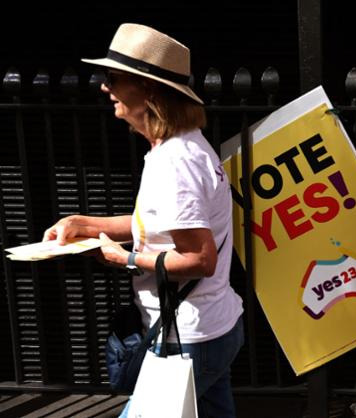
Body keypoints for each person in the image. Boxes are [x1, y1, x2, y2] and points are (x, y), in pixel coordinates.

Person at [42, 23, 244, 417]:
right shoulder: (181, 147)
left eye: (113, 78)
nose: (105, 87)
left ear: (149, 90)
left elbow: (201, 260)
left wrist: (125, 260)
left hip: (187, 338)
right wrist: (84, 223)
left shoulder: (174, 163)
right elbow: (160, 224)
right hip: (211, 329)